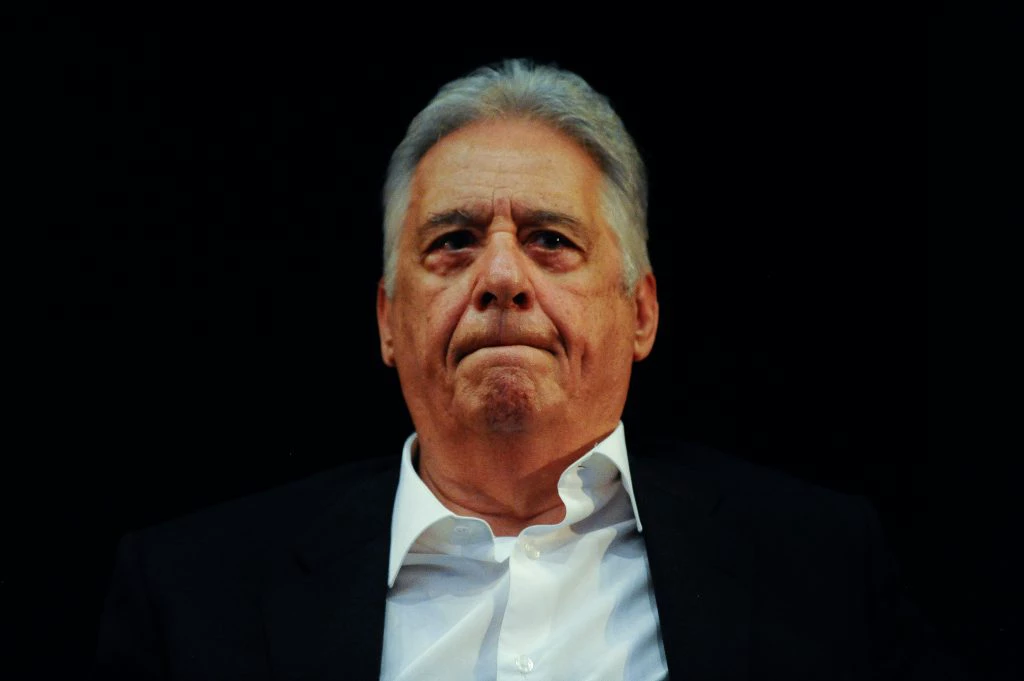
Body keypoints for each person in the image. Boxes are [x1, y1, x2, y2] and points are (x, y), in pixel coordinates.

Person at [95, 59, 964, 680]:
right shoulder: (192, 596)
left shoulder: (819, 569)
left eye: (550, 239)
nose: (502, 277)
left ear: (641, 312)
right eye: (453, 241)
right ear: (388, 320)